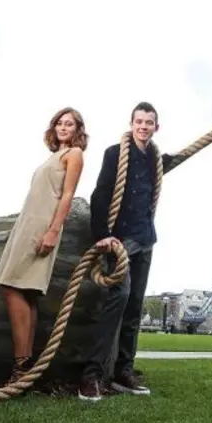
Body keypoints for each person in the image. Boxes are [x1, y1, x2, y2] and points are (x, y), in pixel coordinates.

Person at [78, 102, 176, 401]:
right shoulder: (114, 154)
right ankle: (90, 375)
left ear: (156, 127)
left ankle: (124, 372)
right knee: (117, 301)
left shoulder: (155, 160)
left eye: (149, 122)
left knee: (134, 307)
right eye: (139, 121)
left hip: (146, 240)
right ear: (131, 124)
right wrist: (103, 236)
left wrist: (172, 159)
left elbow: (163, 167)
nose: (144, 126)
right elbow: (100, 195)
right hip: (120, 241)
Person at [0, 107, 87, 383]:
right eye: (59, 122)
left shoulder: (74, 155)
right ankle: (26, 366)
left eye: (69, 124)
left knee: (11, 286)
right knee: (27, 293)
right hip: (27, 223)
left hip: (42, 227)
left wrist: (53, 230)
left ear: (78, 130)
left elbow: (68, 195)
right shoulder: (54, 156)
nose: (63, 127)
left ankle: (21, 363)